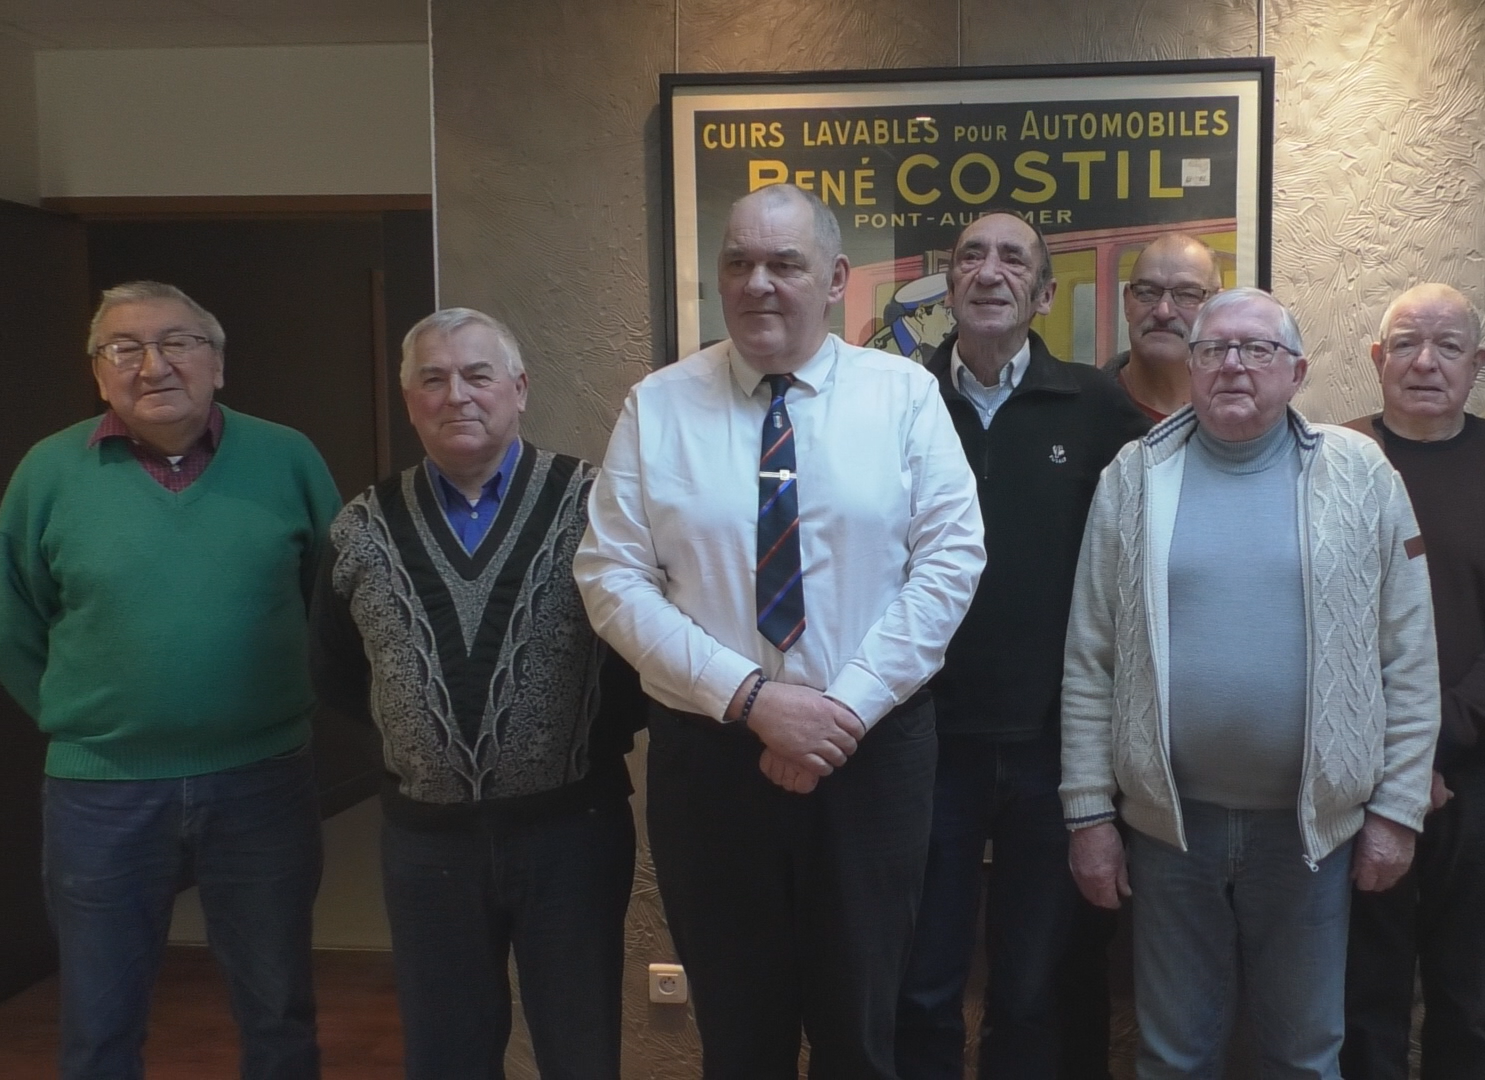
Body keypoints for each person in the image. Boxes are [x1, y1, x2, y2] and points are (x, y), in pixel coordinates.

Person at [573, 183, 985, 1077]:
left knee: (863, 1035)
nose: (757, 283)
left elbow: (951, 563)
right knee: (738, 1038)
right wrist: (752, 699)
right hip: (713, 757)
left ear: (834, 279)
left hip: (870, 756)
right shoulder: (658, 406)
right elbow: (609, 576)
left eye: (784, 264)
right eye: (739, 262)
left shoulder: (905, 397)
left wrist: (842, 711)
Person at [1061, 286, 1439, 1078]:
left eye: (1257, 349)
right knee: (1173, 1055)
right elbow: (1091, 655)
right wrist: (1089, 813)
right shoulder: (1134, 476)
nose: (1233, 364)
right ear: (1191, 367)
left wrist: (1398, 808)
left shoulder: (1361, 474)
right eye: (1214, 349)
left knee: (1303, 1055)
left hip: (1309, 831)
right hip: (1170, 829)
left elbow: (1408, 654)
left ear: (1296, 371)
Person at [0, 281, 341, 1079]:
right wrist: (84, 716)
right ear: (99, 373)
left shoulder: (287, 457)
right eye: (124, 348)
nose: (153, 365)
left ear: (217, 363)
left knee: (280, 1014)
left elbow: (336, 602)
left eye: (178, 343)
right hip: (101, 792)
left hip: (262, 781)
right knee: (99, 1027)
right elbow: (13, 617)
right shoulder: (48, 472)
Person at [308, 308, 643, 1080]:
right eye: (433, 379)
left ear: (518, 389)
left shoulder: (597, 507)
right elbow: (335, 669)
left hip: (573, 832)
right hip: (428, 845)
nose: (456, 394)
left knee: (580, 1049)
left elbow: (640, 658)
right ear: (410, 401)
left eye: (477, 375)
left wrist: (571, 738)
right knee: (446, 1054)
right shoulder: (361, 527)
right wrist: (425, 736)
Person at [896, 212, 1149, 1080]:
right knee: (922, 983)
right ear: (948, 287)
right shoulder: (899, 402)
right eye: (971, 256)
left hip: (1054, 748)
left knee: (1033, 989)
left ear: (1043, 295)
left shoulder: (1096, 407)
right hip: (925, 739)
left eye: (1013, 260)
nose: (989, 271)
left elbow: (1136, 565)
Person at [1340, 284, 1485, 1080]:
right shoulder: (1335, 460)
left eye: (1447, 347)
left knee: (1472, 994)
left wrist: (1434, 742)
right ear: (1378, 359)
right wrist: (1396, 754)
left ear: (1478, 364)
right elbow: (1319, 618)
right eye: (1405, 343)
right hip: (1359, 766)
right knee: (1362, 987)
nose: (1425, 362)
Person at [1102, 233, 1222, 422]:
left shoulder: (1244, 422)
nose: (1163, 312)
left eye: (1187, 294)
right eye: (1147, 292)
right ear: (1127, 302)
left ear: (1216, 307)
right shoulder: (1080, 415)